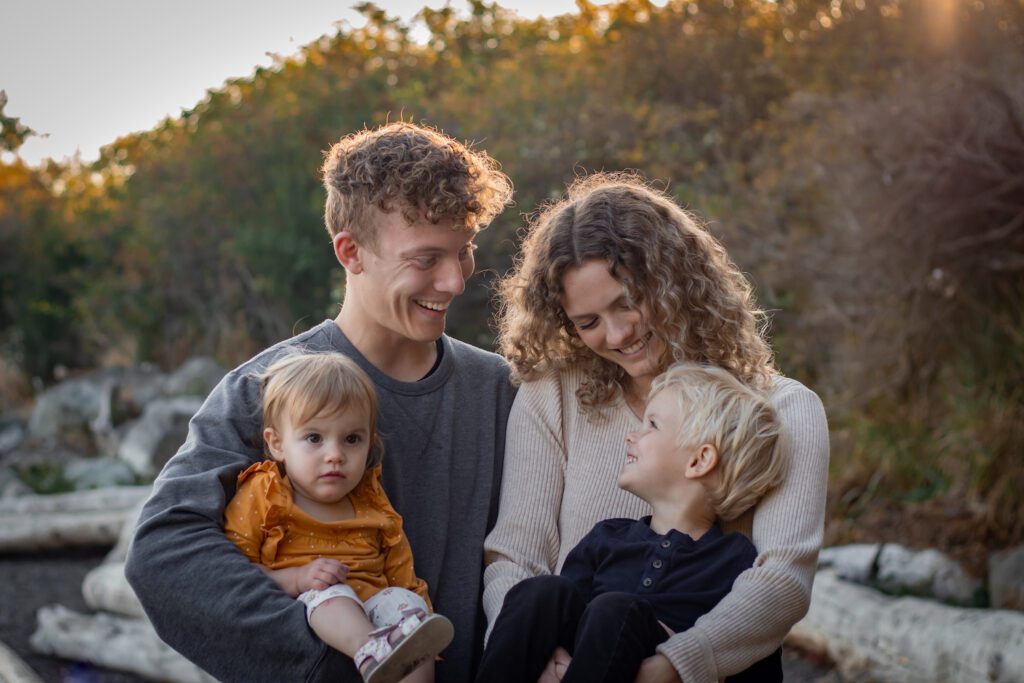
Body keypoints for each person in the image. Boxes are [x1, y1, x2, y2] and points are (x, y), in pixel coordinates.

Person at [125, 122, 515, 683]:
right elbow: (165, 556)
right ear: (350, 252)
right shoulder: (263, 388)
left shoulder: (499, 389)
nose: (454, 281)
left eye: (464, 252)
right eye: (426, 259)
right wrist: (337, 665)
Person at [483, 172, 829, 683]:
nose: (618, 334)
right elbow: (517, 556)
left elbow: (780, 581)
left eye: (628, 303)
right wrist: (544, 663)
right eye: (588, 322)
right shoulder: (553, 392)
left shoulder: (780, 410)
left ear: (675, 282)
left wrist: (671, 666)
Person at [477, 363, 786, 683]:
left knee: (616, 610)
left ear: (699, 460)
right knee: (542, 592)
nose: (630, 434)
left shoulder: (734, 561)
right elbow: (564, 621)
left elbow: (751, 653)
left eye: (651, 425)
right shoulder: (606, 539)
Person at [224, 351, 453, 683]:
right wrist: (297, 579)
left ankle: (401, 662)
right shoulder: (266, 494)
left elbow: (401, 571)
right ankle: (370, 651)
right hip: (314, 613)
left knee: (406, 608)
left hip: (376, 608)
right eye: (314, 438)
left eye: (351, 439)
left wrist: (416, 615)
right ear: (277, 444)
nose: (335, 455)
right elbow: (233, 569)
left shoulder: (370, 499)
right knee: (331, 593)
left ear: (369, 444)